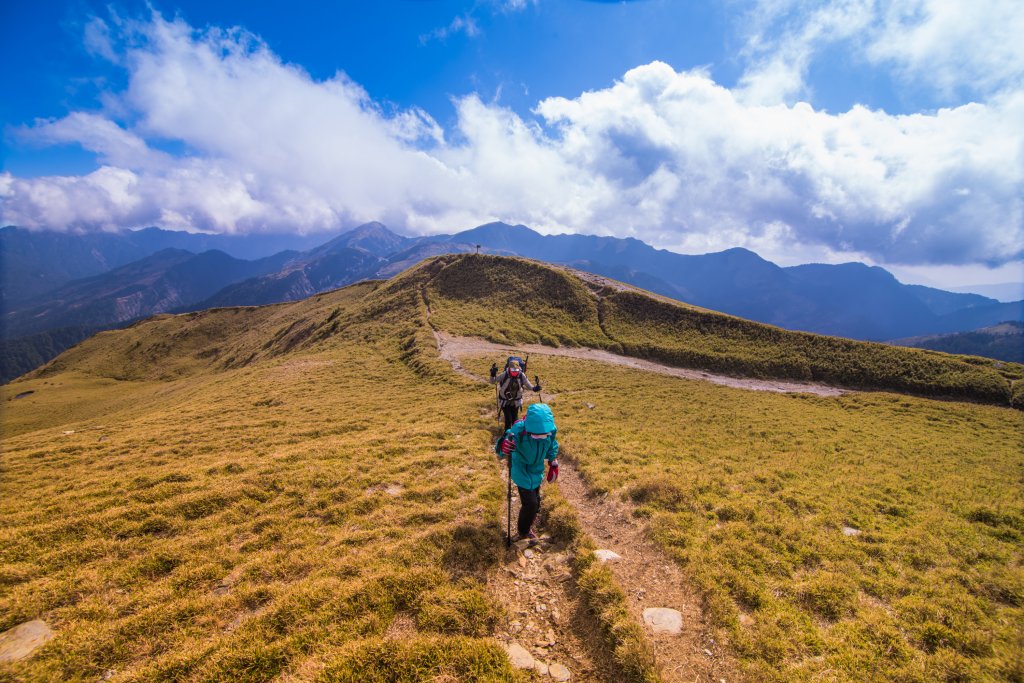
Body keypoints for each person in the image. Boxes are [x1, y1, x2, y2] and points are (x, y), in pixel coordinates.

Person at [495, 402, 559, 541]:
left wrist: (553, 462)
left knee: (535, 498)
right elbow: (504, 442)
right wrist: (503, 446)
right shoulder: (519, 429)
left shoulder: (550, 430)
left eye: (544, 435)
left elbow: (552, 444)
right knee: (530, 503)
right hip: (521, 469)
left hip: (537, 469)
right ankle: (523, 530)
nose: (540, 437)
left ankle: (531, 517)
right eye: (535, 435)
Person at [490, 359, 542, 431]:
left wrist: (534, 388)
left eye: (516, 370)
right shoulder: (505, 374)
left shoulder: (521, 375)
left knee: (515, 419)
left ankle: (515, 435)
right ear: (509, 369)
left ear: (519, 369)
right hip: (505, 401)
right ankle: (507, 435)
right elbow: (493, 381)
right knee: (508, 419)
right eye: (513, 370)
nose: (515, 372)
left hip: (516, 401)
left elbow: (527, 384)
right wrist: (493, 374)